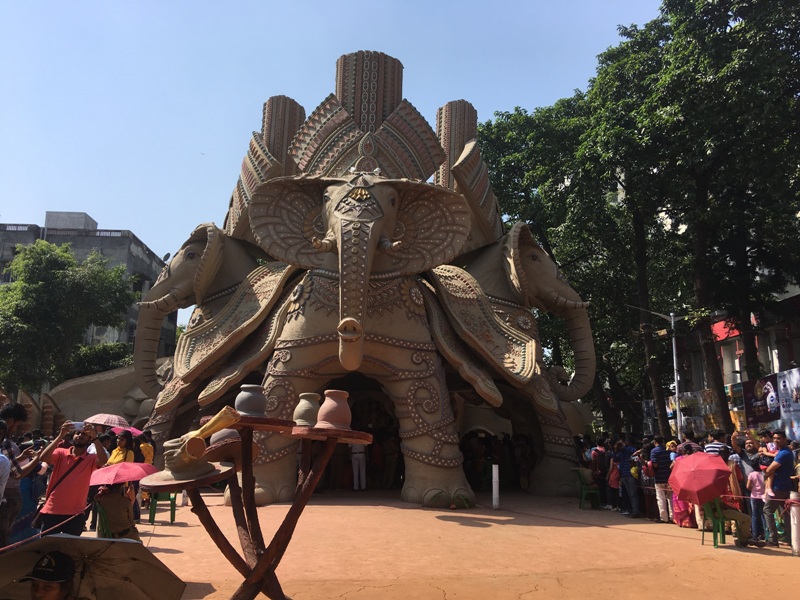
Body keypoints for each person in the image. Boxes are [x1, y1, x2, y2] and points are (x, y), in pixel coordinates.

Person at [38, 421, 107, 535]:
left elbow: (104, 460)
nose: (80, 436)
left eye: (84, 434)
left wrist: (95, 437)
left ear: (89, 440)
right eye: (77, 433)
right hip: (52, 510)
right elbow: (44, 457)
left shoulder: (91, 459)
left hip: (75, 514)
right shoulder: (61, 453)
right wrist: (60, 435)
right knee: (47, 548)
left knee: (70, 550)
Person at [763, 431, 794, 547]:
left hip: (778, 488)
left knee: (767, 510)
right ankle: (792, 539)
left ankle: (773, 539)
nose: (776, 440)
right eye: (774, 438)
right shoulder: (784, 452)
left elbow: (770, 469)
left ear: (785, 439)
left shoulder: (784, 453)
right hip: (784, 486)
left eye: (779, 438)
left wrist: (766, 474)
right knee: (786, 514)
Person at [650, 436, 672, 523]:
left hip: (659, 477)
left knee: (661, 498)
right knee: (670, 498)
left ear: (655, 442)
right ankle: (672, 517)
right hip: (669, 477)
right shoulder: (668, 450)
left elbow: (655, 465)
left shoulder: (654, 451)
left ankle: (664, 518)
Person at [746, 464, 767, 542]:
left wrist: (753, 489)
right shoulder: (764, 474)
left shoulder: (751, 474)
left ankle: (755, 534)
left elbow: (748, 486)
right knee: (763, 515)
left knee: (754, 515)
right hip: (763, 496)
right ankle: (766, 534)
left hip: (754, 496)